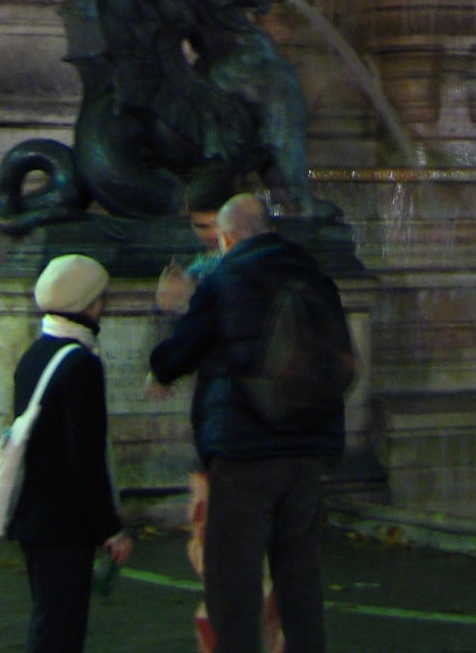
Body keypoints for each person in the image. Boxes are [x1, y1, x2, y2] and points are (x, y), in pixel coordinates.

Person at [149, 192, 352, 653]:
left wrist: (169, 320)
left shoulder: (227, 277)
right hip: (307, 446)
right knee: (299, 576)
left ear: (227, 236)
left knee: (232, 582)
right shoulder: (316, 277)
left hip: (244, 448)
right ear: (270, 230)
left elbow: (180, 350)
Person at [155, 191, 285, 653]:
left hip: (233, 438)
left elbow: (187, 345)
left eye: (213, 227)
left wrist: (165, 359)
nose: (209, 236)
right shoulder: (299, 271)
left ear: (230, 233)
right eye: (199, 227)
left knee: (222, 560)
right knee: (278, 563)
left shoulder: (217, 278)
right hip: (291, 439)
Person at [7, 254, 133, 653]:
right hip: (64, 521)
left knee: (49, 617)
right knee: (59, 629)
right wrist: (109, 528)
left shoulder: (35, 355)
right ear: (90, 305)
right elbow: (85, 457)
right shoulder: (80, 365)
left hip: (35, 515)